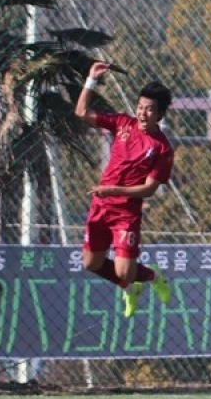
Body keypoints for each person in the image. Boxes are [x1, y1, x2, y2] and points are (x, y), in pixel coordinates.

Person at [75, 61, 175, 318]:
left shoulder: (162, 148)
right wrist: (91, 79)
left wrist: (115, 190)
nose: (142, 113)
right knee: (91, 263)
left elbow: (149, 189)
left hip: (125, 214)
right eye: (140, 107)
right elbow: (82, 112)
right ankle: (129, 289)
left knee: (124, 272)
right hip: (101, 206)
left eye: (150, 110)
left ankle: (153, 276)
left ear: (160, 115)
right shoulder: (122, 124)